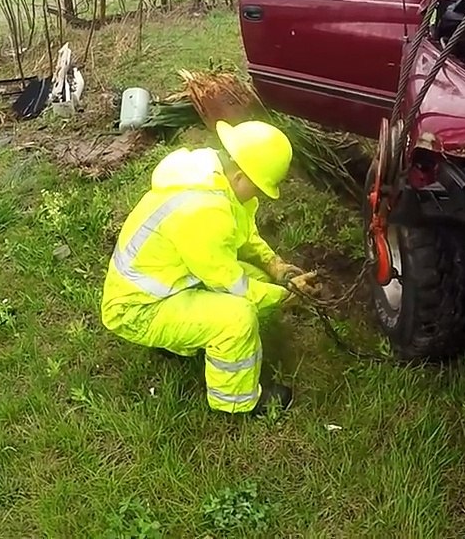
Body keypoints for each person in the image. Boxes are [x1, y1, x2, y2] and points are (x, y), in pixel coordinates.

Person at [101, 120, 321, 415]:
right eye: (258, 189)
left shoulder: (213, 175)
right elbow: (233, 287)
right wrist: (285, 295)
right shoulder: (202, 211)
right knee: (237, 317)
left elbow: (243, 233)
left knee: (256, 278)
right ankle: (237, 400)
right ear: (241, 176)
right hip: (136, 310)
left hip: (165, 286)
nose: (258, 196)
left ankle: (181, 341)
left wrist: (273, 264)